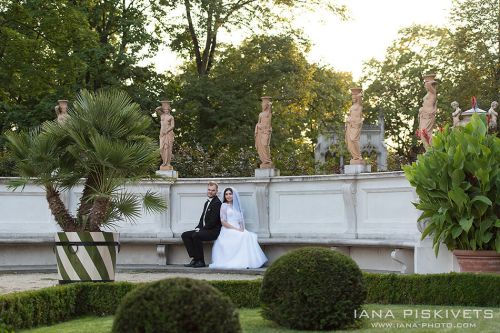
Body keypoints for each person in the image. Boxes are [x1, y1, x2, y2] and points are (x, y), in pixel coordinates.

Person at [209, 187, 267, 269]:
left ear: (233, 195)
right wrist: (236, 229)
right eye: (226, 194)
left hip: (238, 228)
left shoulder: (237, 206)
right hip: (227, 229)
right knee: (242, 236)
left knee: (247, 235)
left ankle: (247, 262)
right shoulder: (224, 205)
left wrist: (242, 229)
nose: (228, 196)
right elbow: (223, 222)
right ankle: (236, 261)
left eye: (230, 194)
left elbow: (240, 220)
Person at [182, 181, 222, 268]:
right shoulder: (207, 202)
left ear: (216, 191)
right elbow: (202, 218)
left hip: (213, 231)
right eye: (209, 190)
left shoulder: (217, 203)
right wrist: (198, 227)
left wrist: (201, 230)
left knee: (196, 235)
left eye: (213, 190)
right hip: (205, 229)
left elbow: (213, 222)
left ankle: (201, 261)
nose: (210, 192)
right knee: (185, 235)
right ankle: (195, 258)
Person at [345, 89, 364, 164]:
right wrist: (348, 120)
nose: (353, 99)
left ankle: (359, 156)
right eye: (352, 98)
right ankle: (355, 156)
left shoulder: (359, 105)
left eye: (354, 98)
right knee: (350, 141)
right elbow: (350, 115)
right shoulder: (352, 106)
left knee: (354, 139)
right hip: (350, 125)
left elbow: (360, 96)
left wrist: (357, 92)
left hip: (356, 124)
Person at [418, 77, 437, 149]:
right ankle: (428, 150)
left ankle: (430, 149)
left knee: (426, 133)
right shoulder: (428, 93)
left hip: (429, 115)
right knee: (422, 133)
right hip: (424, 115)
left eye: (425, 85)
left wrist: (428, 79)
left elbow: (428, 84)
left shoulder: (433, 92)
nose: (425, 86)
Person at [255, 97, 273, 168]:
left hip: (266, 131)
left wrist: (269, 104)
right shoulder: (260, 114)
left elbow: (270, 111)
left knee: (265, 145)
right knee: (261, 146)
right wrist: (258, 126)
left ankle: (267, 160)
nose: (263, 105)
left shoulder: (268, 113)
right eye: (262, 104)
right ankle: (264, 161)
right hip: (260, 131)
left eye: (264, 104)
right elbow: (258, 122)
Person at [156, 101, 175, 170]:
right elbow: (157, 110)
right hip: (162, 134)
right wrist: (162, 106)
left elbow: (172, 126)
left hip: (168, 133)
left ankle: (168, 163)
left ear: (169, 110)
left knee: (168, 148)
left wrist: (166, 131)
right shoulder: (162, 115)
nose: (165, 110)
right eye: (164, 109)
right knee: (161, 148)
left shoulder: (171, 117)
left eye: (167, 109)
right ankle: (164, 162)